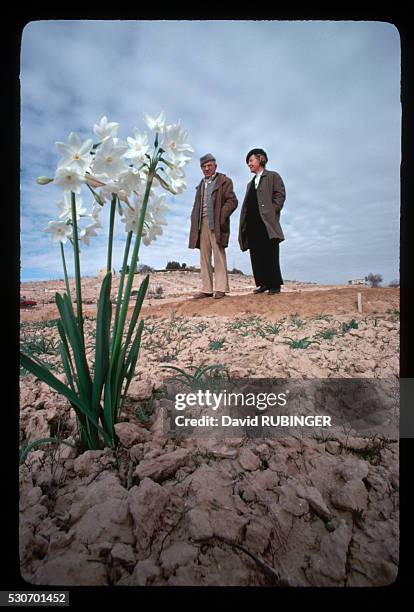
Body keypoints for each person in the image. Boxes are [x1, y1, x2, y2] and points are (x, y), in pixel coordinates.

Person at [189, 153, 238, 299]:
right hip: (201, 224)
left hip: (216, 223)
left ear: (215, 166)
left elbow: (232, 201)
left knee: (219, 255)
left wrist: (221, 216)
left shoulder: (224, 181)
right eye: (203, 167)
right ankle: (207, 289)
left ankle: (221, 288)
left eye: (209, 165)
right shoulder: (200, 185)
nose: (206, 168)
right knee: (204, 257)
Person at [238, 148, 286, 294]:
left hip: (266, 222)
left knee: (270, 251)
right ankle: (263, 283)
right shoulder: (250, 183)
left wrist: (273, 211)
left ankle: (274, 284)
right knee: (256, 253)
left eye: (251, 160)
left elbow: (280, 195)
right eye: (248, 162)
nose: (249, 164)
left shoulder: (273, 176)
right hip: (252, 222)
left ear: (261, 159)